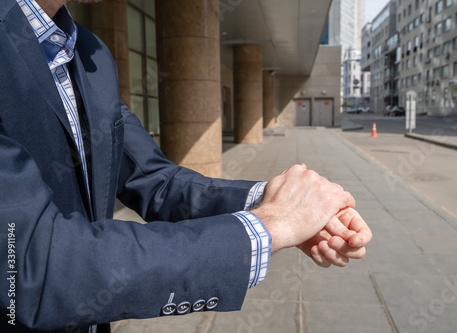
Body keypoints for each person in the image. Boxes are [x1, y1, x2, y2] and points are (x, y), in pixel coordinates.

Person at [0, 0, 372, 332]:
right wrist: (267, 228)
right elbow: (31, 263)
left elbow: (154, 179)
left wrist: (273, 199)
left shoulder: (89, 52)